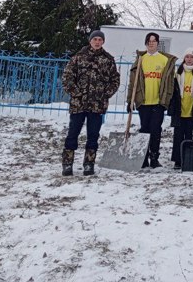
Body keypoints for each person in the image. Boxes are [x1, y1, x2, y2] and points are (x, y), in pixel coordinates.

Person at [61, 29, 120, 176]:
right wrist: (76, 93)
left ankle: (89, 164)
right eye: (95, 39)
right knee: (72, 134)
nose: (97, 42)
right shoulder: (78, 57)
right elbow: (67, 77)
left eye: (100, 40)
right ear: (90, 41)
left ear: (103, 42)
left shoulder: (108, 59)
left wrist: (105, 94)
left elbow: (115, 80)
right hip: (78, 104)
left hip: (97, 105)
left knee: (93, 136)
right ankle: (67, 164)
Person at [127, 31, 177, 168]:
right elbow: (133, 82)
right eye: (149, 41)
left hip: (158, 102)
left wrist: (168, 99)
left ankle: (154, 157)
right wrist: (130, 100)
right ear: (146, 43)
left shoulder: (164, 60)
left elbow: (170, 83)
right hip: (143, 101)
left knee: (156, 130)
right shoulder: (141, 59)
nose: (151, 43)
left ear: (158, 43)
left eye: (154, 41)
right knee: (144, 129)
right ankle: (143, 158)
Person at [167, 49, 193, 169]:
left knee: (189, 137)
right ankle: (177, 160)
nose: (189, 59)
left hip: (191, 111)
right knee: (178, 137)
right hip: (179, 110)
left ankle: (187, 158)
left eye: (191, 57)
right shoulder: (178, 74)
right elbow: (172, 92)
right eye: (187, 57)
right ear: (184, 58)